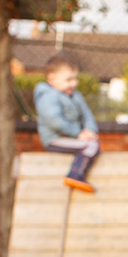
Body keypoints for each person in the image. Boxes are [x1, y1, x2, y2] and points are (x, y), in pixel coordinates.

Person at [34, 54, 99, 192]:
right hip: (55, 140)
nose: (74, 83)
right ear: (51, 80)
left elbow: (87, 115)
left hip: (73, 138)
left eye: (75, 78)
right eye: (68, 80)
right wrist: (78, 134)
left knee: (93, 143)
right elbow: (55, 121)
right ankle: (75, 174)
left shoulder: (76, 96)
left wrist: (90, 131)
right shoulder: (48, 97)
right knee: (90, 145)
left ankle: (77, 173)